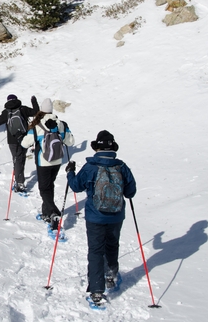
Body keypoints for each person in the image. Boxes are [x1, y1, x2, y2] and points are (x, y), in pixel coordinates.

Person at [65, 130, 136, 307]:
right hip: (116, 216)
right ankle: (111, 275)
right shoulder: (122, 167)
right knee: (112, 245)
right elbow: (130, 192)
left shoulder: (91, 167)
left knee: (96, 251)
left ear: (97, 147)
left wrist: (70, 172)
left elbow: (75, 186)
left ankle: (97, 290)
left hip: (95, 217)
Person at [20, 98, 74, 229]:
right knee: (50, 185)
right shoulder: (60, 123)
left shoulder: (37, 124)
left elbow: (24, 143)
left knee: (44, 188)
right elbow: (70, 142)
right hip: (57, 160)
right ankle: (46, 213)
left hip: (43, 161)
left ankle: (53, 213)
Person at [0, 94, 40, 192]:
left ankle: (19, 182)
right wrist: (34, 101)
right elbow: (36, 112)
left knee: (17, 159)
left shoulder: (6, 112)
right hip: (24, 138)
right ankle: (19, 178)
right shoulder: (22, 109)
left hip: (12, 140)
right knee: (21, 158)